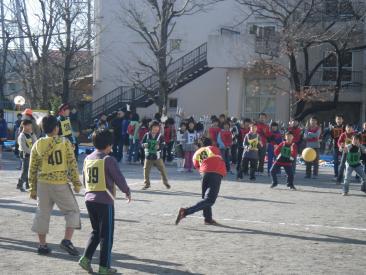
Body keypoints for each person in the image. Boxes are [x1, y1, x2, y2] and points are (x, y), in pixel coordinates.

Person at [78, 129, 131, 275]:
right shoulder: (109, 160)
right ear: (108, 145)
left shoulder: (88, 158)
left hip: (89, 199)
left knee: (96, 232)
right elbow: (118, 178)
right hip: (104, 201)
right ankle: (104, 267)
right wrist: (127, 190)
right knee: (106, 236)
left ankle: (86, 259)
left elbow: (84, 177)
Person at [28, 115, 82, 256]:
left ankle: (42, 245)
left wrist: (32, 188)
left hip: (42, 184)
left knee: (42, 213)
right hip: (60, 184)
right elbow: (72, 164)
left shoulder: (37, 144)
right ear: (57, 128)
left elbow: (32, 168)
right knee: (72, 211)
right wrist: (76, 183)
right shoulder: (65, 142)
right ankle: (66, 241)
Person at [175, 137, 227, 226]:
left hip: (204, 174)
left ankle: (208, 219)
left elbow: (197, 166)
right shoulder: (214, 148)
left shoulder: (196, 154)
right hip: (215, 172)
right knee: (210, 200)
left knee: (206, 198)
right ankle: (186, 211)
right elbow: (220, 159)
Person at [141, 120, 171, 190]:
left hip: (157, 157)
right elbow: (141, 143)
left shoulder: (160, 136)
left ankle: (166, 183)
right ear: (151, 127)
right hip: (148, 156)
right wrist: (144, 145)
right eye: (154, 127)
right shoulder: (147, 135)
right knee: (146, 170)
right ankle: (147, 184)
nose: (156, 128)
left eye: (157, 127)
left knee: (162, 170)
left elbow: (164, 144)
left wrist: (159, 146)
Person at [17, 120, 37, 191]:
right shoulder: (22, 136)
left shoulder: (30, 134)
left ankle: (28, 185)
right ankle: (20, 184)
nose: (30, 127)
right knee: (25, 170)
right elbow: (23, 148)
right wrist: (31, 152)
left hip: (30, 154)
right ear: (24, 126)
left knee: (29, 170)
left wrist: (32, 133)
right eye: (29, 125)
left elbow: (35, 142)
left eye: (30, 125)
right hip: (25, 155)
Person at [330, 115, 345, 179]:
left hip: (343, 146)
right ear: (335, 120)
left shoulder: (345, 127)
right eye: (337, 119)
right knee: (335, 161)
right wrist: (331, 130)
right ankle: (336, 175)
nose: (339, 120)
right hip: (335, 146)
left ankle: (343, 175)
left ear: (342, 120)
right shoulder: (333, 128)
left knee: (343, 161)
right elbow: (332, 137)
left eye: (340, 119)